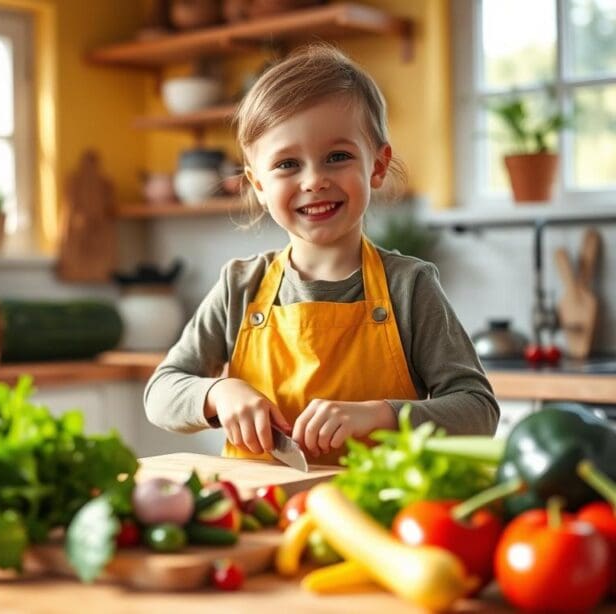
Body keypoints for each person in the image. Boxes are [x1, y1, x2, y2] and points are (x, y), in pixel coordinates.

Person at [144, 45, 499, 465]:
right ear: (258, 184)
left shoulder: (409, 286)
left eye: (337, 157)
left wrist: (382, 415)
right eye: (287, 164)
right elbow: (160, 394)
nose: (314, 180)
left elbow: (479, 410)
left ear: (377, 166)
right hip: (257, 504)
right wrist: (217, 393)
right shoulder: (240, 285)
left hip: (371, 502)